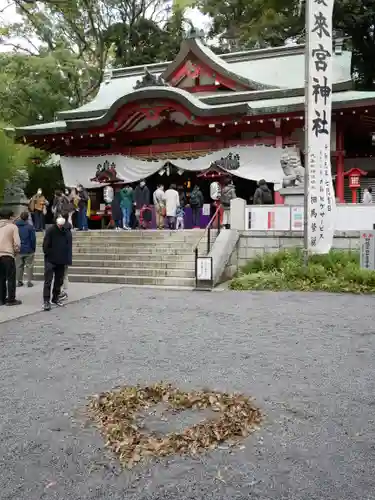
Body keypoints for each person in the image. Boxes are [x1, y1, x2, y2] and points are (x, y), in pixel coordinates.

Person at [42, 214, 72, 311]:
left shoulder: (66, 231)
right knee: (48, 281)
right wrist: (49, 254)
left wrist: (67, 259)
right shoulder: (51, 230)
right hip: (51, 259)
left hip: (61, 260)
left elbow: (68, 246)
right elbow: (45, 245)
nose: (60, 226)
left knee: (59, 281)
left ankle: (55, 298)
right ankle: (46, 300)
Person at [0, 208, 21, 306]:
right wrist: (16, 252)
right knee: (11, 278)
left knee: (1, 278)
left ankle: (1, 299)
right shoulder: (12, 227)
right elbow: (17, 243)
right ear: (10, 216)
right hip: (8, 254)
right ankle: (11, 299)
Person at [15, 211, 36, 288]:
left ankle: (19, 281)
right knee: (29, 266)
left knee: (19, 266)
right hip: (28, 249)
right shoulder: (30, 227)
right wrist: (33, 248)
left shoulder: (15, 226)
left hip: (19, 249)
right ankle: (29, 281)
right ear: (27, 218)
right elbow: (33, 239)